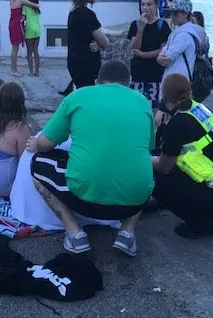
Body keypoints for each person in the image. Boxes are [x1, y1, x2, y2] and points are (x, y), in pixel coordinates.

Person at [26, 61, 155, 257]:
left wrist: (35, 144)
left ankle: (74, 233)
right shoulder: (142, 102)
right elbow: (149, 148)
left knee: (37, 163)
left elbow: (46, 144)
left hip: (83, 199)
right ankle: (127, 232)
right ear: (127, 84)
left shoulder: (78, 96)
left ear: (97, 82)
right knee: (143, 169)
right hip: (133, 202)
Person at [152, 74, 213, 238]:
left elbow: (164, 166)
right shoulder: (202, 110)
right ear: (190, 91)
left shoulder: (176, 124)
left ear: (165, 96)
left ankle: (200, 224)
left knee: (154, 175)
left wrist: (145, 159)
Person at [127, 0, 171, 108]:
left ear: (156, 6)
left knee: (153, 109)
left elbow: (163, 51)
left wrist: (143, 55)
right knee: (135, 108)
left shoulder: (162, 26)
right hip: (137, 75)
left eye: (149, 4)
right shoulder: (135, 24)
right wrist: (141, 28)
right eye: (143, 4)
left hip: (155, 75)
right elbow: (134, 48)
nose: (145, 7)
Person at [66, 0, 109, 89]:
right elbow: (105, 42)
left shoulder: (73, 10)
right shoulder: (87, 14)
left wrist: (97, 44)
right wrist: (99, 43)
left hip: (75, 63)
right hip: (86, 67)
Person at [8, 0, 40, 77]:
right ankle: (14, 70)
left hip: (12, 24)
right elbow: (34, 5)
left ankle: (14, 69)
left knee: (15, 47)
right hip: (17, 25)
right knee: (15, 48)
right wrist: (36, 4)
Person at [22, 0, 41, 76]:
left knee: (29, 53)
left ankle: (30, 72)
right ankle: (37, 71)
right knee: (36, 51)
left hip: (29, 29)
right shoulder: (36, 5)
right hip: (37, 29)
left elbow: (23, 18)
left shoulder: (25, 6)